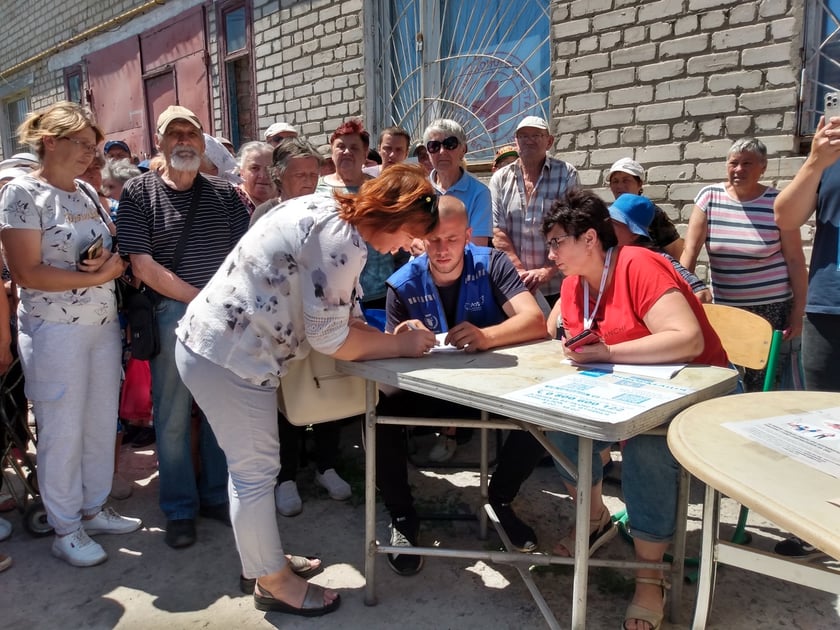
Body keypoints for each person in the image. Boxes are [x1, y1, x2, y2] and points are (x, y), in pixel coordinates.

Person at [173, 163, 440, 616]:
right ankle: (274, 584)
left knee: (249, 471)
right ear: (393, 216)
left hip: (218, 347)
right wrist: (401, 343)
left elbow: (338, 311)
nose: (407, 248)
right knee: (256, 474)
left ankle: (262, 562)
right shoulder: (345, 240)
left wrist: (392, 338)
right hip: (232, 357)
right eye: (410, 234)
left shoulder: (329, 210)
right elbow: (331, 339)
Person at [542, 190, 729, 630]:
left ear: (589, 238)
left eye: (556, 242)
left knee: (647, 445)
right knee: (558, 425)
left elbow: (687, 339)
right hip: (628, 388)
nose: (551, 255)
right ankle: (594, 519)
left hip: (696, 385)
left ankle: (650, 577)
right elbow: (573, 340)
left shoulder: (637, 263)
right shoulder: (572, 285)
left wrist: (607, 351)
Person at [0, 101, 142, 568]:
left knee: (100, 421)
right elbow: (26, 272)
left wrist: (106, 263)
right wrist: (96, 276)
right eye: (81, 143)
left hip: (100, 325)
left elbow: (107, 238)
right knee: (62, 429)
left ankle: (94, 507)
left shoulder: (84, 189)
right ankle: (66, 528)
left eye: (93, 145)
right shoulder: (21, 195)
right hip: (53, 330)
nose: (89, 154)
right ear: (50, 142)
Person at [377, 195, 546, 574]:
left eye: (452, 239)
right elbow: (388, 353)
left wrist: (488, 336)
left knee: (543, 413)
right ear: (421, 238)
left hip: (491, 387)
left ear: (468, 236)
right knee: (378, 417)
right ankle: (402, 516)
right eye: (433, 239)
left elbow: (535, 321)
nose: (441, 249)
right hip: (428, 393)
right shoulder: (402, 282)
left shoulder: (493, 264)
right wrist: (402, 335)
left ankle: (499, 499)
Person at [116, 105, 250, 549]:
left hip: (221, 319)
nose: (183, 141)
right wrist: (200, 300)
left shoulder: (225, 194)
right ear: (159, 142)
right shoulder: (139, 191)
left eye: (190, 132)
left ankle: (214, 496)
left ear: (202, 140)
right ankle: (178, 508)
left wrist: (220, 306)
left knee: (218, 412)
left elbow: (241, 259)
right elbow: (142, 264)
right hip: (170, 313)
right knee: (171, 416)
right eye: (173, 133)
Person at [249, 138, 351, 515]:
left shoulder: (330, 209)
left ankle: (327, 466)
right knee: (284, 400)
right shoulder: (263, 213)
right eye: (299, 175)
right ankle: (286, 476)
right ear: (279, 177)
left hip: (323, 318)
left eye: (313, 173)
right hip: (279, 323)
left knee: (327, 389)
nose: (308, 181)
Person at [681, 138, 808, 391]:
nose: (739, 169)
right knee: (729, 379)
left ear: (763, 167)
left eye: (747, 163)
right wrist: (683, 296)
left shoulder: (777, 202)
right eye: (734, 163)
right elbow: (690, 252)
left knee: (763, 384)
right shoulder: (710, 198)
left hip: (772, 309)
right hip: (728, 309)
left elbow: (795, 260)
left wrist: (797, 312)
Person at [773, 114, 840, 558]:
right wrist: (815, 161)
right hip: (828, 304)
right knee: (825, 421)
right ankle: (819, 523)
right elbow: (785, 216)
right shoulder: (829, 157)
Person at [491, 115, 580, 306]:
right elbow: (498, 231)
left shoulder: (566, 173)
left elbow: (571, 228)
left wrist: (548, 270)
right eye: (523, 136)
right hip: (514, 285)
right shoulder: (500, 179)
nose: (529, 140)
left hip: (558, 285)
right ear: (516, 141)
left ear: (549, 141)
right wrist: (521, 274)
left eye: (536, 135)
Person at [608, 193, 711, 302]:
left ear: (635, 234)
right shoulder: (605, 254)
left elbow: (702, 294)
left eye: (614, 223)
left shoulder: (656, 259)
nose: (606, 227)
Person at [424, 119, 492, 246]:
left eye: (450, 144)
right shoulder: (419, 190)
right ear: (428, 152)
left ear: (463, 150)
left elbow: (477, 247)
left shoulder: (479, 193)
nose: (442, 151)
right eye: (434, 146)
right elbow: (411, 239)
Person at [606, 158, 685, 259]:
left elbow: (676, 251)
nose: (620, 186)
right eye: (615, 181)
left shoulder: (652, 214)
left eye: (626, 180)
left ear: (639, 184)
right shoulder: (610, 214)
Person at [250, 137, 322, 226]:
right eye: (299, 175)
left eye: (313, 175)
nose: (309, 182)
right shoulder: (266, 214)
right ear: (278, 173)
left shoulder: (324, 210)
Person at [234, 141, 276, 213]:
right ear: (242, 172)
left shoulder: (288, 201)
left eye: (269, 168)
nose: (263, 175)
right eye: (254, 168)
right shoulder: (231, 201)